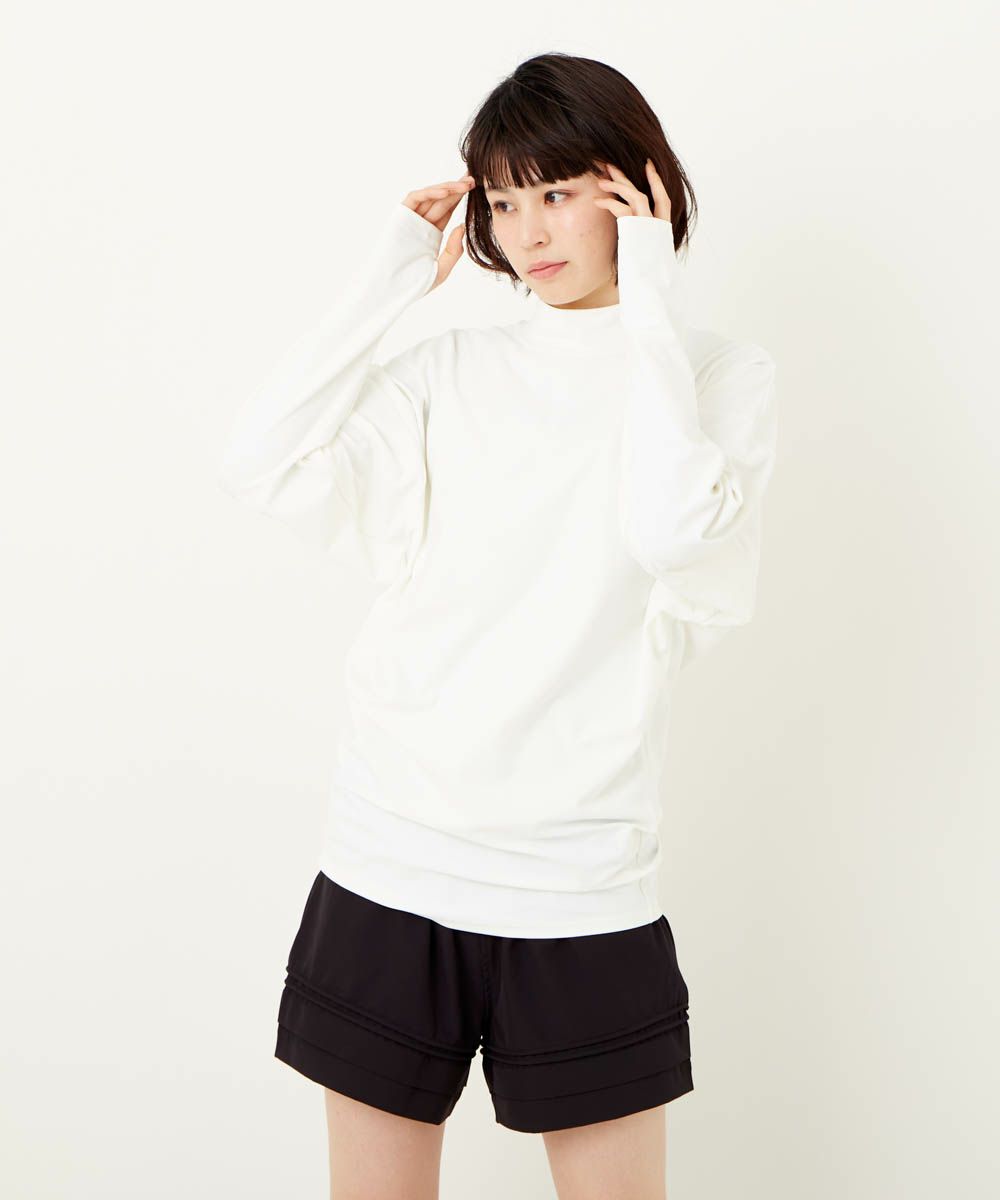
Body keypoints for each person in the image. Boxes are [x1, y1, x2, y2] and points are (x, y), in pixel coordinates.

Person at [217, 50, 778, 1200]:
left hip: (581, 881)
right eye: (507, 201)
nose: (528, 231)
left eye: (557, 192)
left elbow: (674, 532)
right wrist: (387, 281)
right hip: (392, 861)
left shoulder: (717, 379)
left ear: (635, 186)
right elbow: (261, 459)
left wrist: (651, 303)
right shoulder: (449, 371)